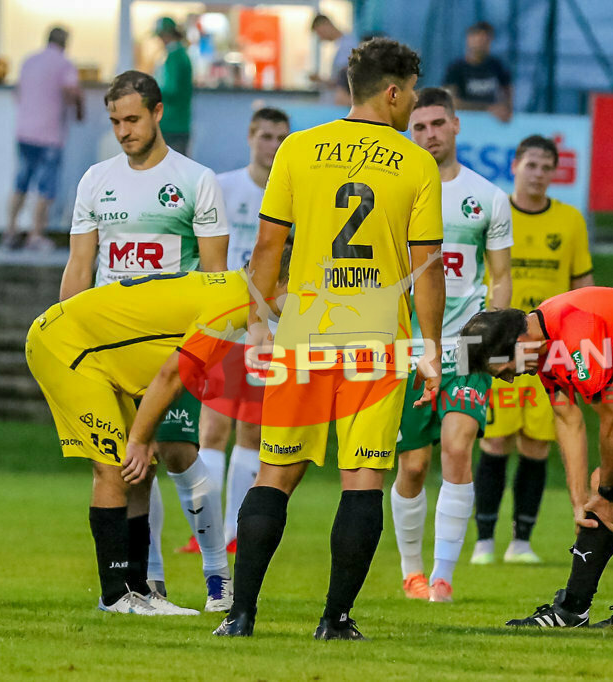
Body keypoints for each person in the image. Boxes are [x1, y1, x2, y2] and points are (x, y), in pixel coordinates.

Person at [215, 37, 446, 641]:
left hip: (302, 338)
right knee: (363, 479)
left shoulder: (298, 148)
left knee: (275, 474)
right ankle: (334, 619)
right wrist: (432, 345)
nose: (414, 101)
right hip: (377, 343)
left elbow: (268, 247)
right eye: (412, 91)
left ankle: (241, 616)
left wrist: (257, 320)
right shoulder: (417, 163)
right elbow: (426, 267)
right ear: (393, 93)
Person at [60, 70, 231, 614]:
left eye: (132, 119)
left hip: (170, 346)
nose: (123, 131)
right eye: (114, 121)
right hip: (108, 348)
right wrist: (66, 332)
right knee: (126, 462)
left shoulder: (196, 179)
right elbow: (80, 267)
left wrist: (205, 351)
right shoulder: (95, 180)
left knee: (175, 452)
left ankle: (216, 574)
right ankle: (145, 584)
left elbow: (214, 277)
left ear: (159, 113)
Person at [26, 263, 287, 615]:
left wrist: (143, 435)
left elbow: (166, 368)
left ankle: (138, 592)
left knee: (142, 469)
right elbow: (170, 375)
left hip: (96, 351)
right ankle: (116, 596)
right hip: (68, 346)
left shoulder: (233, 292)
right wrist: (137, 438)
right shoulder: (233, 307)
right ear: (278, 281)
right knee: (114, 468)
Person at [461, 287, 613, 630]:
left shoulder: (575, 333)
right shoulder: (544, 346)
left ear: (518, 342)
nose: (507, 378)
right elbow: (567, 420)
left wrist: (607, 494)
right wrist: (582, 501)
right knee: (601, 486)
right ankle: (572, 609)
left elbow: (612, 420)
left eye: (502, 369)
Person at [390, 87, 513, 603]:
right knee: (413, 467)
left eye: (437, 124)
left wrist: (495, 336)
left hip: (466, 350)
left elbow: (501, 276)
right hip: (411, 349)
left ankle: (442, 577)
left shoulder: (487, 196)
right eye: (418, 127)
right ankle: (412, 571)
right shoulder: (396, 193)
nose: (429, 134)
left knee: (459, 447)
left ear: (457, 125)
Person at [471, 135, 594, 566]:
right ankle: (484, 539)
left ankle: (521, 540)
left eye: (547, 167)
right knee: (495, 441)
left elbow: (583, 287)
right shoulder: (494, 212)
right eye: (532, 165)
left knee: (538, 445)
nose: (539, 174)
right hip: (504, 351)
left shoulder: (570, 221)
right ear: (516, 165)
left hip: (549, 351)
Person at [177, 107, 291, 555]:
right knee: (214, 427)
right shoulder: (224, 187)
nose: (274, 145)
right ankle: (203, 529)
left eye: (281, 137)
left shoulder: (295, 197)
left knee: (253, 430)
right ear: (250, 136)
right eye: (266, 136)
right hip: (227, 316)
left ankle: (236, 532)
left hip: (270, 324)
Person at [3, 26, 83, 251]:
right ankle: (35, 235)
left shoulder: (28, 61)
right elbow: (71, 91)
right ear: (65, 42)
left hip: (24, 132)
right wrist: (79, 106)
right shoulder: (65, 64)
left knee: (21, 182)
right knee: (46, 187)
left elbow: (18, 93)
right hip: (49, 133)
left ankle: (10, 231)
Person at [443, 22, 513, 122]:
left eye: (486, 39)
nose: (481, 43)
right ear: (468, 39)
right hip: (463, 121)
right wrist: (487, 108)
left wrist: (505, 108)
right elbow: (451, 103)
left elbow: (508, 94)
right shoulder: (455, 68)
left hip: (491, 123)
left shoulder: (497, 66)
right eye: (477, 38)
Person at [155, 17, 193, 154]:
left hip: (171, 123)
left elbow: (171, 89)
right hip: (178, 122)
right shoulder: (182, 54)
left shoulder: (174, 56)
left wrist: (148, 93)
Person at [311, 14, 359, 104]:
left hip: (343, 102)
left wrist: (321, 80)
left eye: (319, 33)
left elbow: (343, 79)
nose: (320, 37)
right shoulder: (341, 45)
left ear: (326, 25)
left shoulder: (347, 46)